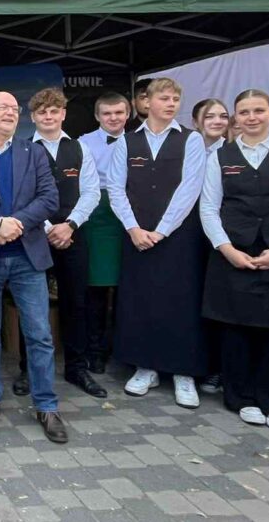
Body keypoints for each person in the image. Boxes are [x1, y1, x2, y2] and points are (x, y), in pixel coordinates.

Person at [0, 91, 68, 444]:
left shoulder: (33, 153)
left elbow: (50, 198)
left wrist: (14, 223)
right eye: (2, 107)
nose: (10, 113)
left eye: (14, 109)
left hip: (27, 257)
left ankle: (46, 405)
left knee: (39, 335)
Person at [199, 89, 269, 432]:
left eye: (257, 111)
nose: (251, 117)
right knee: (236, 329)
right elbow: (208, 207)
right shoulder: (221, 156)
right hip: (234, 253)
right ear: (236, 117)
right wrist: (226, 248)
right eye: (244, 112)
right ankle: (242, 398)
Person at [107, 77, 209, 408]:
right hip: (136, 235)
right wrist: (134, 228)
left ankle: (183, 373)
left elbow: (190, 188)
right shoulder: (126, 141)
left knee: (181, 300)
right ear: (146, 103)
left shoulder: (191, 140)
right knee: (140, 300)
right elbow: (115, 187)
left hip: (178, 236)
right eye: (164, 98)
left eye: (175, 99)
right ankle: (145, 366)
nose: (171, 104)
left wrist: (162, 229)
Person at [10, 89, 104, 399]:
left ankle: (76, 367)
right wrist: (50, 227)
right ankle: (29, 369)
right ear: (33, 116)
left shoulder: (79, 149)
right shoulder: (22, 150)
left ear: (63, 114)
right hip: (36, 236)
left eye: (54, 111)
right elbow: (22, 197)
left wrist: (70, 225)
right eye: (42, 112)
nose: (48, 117)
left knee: (76, 302)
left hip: (74, 235)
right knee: (31, 304)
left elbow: (92, 192)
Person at [78, 93, 131, 374]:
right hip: (96, 215)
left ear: (128, 114)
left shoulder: (138, 142)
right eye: (107, 113)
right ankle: (95, 351)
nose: (113, 118)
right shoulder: (83, 143)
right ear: (98, 116)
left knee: (128, 289)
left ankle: (123, 349)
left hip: (130, 216)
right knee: (95, 289)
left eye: (119, 113)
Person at [191, 97, 232, 395]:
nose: (217, 121)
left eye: (223, 116)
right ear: (196, 122)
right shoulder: (185, 150)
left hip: (222, 236)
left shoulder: (233, 152)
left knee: (219, 302)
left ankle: (218, 368)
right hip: (190, 233)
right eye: (210, 116)